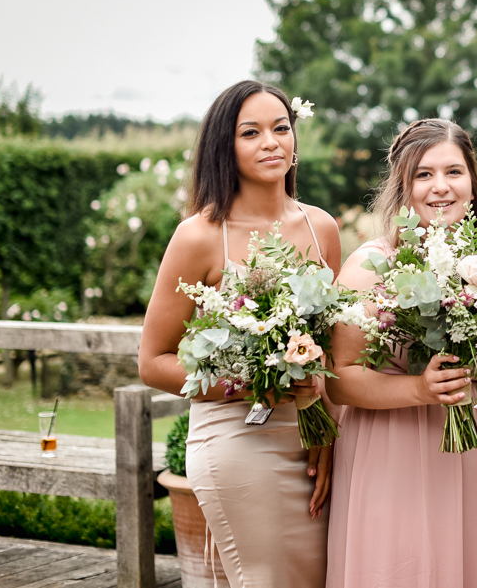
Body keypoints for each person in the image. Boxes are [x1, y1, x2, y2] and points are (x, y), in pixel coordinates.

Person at [138, 80, 341, 587]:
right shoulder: (199, 235)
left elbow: (331, 350)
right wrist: (256, 381)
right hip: (238, 440)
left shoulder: (322, 228)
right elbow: (153, 362)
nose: (271, 142)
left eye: (281, 128)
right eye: (251, 132)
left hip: (312, 439)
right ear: (224, 147)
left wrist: (327, 430)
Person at [325, 118, 477, 588]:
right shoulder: (371, 266)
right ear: (403, 187)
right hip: (395, 453)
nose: (440, 187)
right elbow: (339, 379)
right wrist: (419, 388)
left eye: (454, 172)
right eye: (424, 174)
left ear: (473, 184)